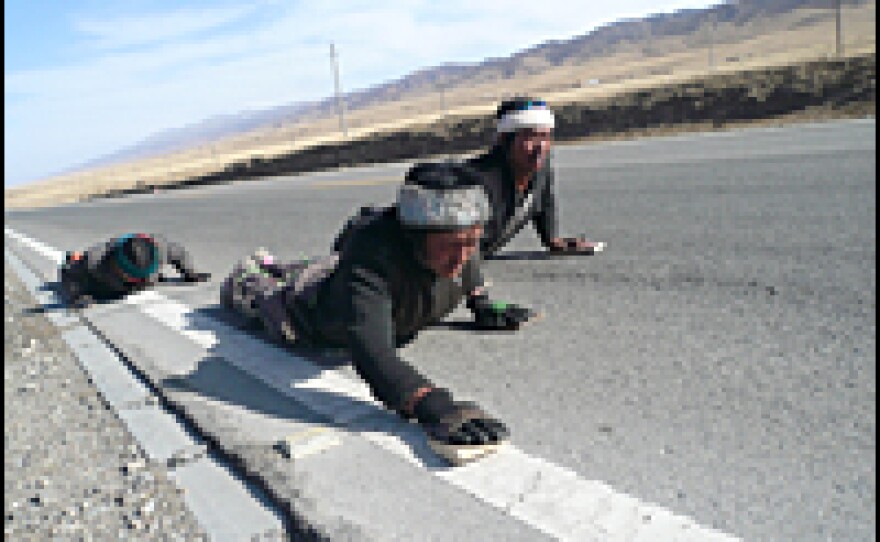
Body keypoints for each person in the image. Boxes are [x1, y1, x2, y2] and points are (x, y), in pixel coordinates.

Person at [221, 162, 538, 464]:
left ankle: (303, 265)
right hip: (305, 308)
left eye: (471, 242)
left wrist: (481, 304)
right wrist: (430, 402)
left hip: (352, 279)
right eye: (449, 246)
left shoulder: (457, 239)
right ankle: (255, 269)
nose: (461, 257)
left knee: (327, 268)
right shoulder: (371, 254)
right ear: (414, 235)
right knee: (253, 288)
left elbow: (468, 264)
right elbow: (369, 348)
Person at [466, 96, 606, 257]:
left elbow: (544, 200)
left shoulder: (539, 169)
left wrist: (552, 241)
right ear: (504, 140)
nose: (541, 147)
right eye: (530, 136)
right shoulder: (475, 182)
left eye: (545, 137)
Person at [58, 233, 211, 307]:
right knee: (75, 262)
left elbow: (179, 254)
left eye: (143, 276)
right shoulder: (95, 260)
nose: (140, 280)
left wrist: (191, 274)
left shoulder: (161, 248)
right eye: (133, 277)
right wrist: (77, 296)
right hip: (104, 286)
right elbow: (68, 275)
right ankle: (72, 256)